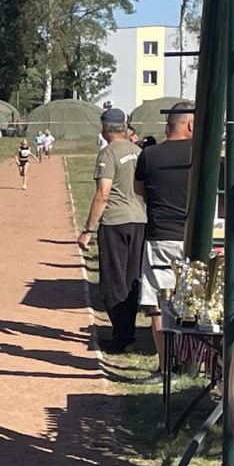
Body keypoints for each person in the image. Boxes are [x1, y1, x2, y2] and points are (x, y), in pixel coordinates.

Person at [78, 108, 148, 354]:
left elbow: (103, 194)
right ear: (125, 126)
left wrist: (88, 229)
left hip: (115, 222)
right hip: (140, 220)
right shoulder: (139, 152)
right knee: (132, 279)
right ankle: (127, 332)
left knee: (112, 281)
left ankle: (121, 335)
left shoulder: (108, 153)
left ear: (103, 128)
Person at [134, 101, 195, 381]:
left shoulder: (149, 155)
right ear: (191, 125)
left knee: (158, 303)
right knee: (195, 302)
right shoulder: (201, 154)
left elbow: (140, 190)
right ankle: (192, 361)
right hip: (195, 235)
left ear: (168, 125)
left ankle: (165, 366)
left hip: (160, 235)